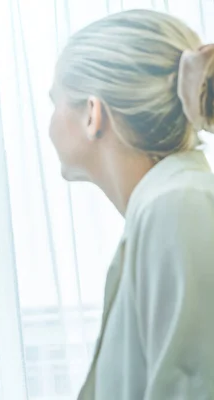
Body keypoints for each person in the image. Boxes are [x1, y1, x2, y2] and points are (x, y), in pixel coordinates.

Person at [48, 9, 214, 400]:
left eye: (55, 101)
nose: (49, 123)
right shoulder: (166, 206)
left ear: (93, 113)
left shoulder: (178, 206)